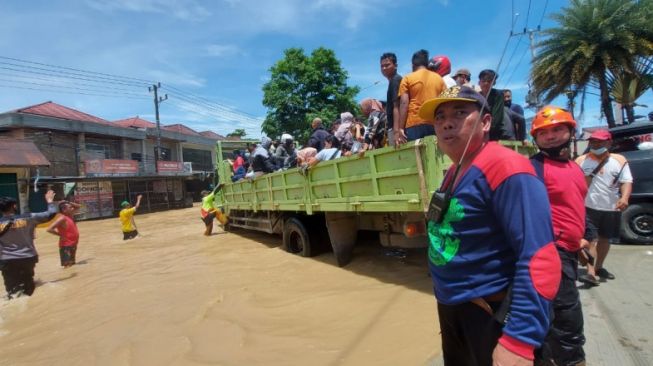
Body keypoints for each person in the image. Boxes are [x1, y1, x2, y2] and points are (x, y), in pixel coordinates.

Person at [417, 86, 561, 366]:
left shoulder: (506, 168)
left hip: (491, 313)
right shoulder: (455, 171)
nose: (447, 122)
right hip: (455, 309)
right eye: (440, 117)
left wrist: (518, 341)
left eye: (460, 113)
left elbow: (540, 257)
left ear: (485, 122)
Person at [529, 106, 589, 366]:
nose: (551, 136)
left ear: (570, 132)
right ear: (536, 139)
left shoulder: (574, 168)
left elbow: (577, 204)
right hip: (551, 253)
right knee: (567, 320)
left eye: (557, 129)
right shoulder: (533, 169)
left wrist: (585, 236)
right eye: (544, 133)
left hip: (571, 250)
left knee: (558, 319)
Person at [576, 129, 633, 285]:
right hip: (588, 207)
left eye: (600, 141)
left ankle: (599, 266)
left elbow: (626, 181)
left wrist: (625, 197)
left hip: (611, 208)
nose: (596, 144)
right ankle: (591, 273)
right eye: (593, 141)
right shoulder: (581, 160)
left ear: (609, 142)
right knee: (591, 240)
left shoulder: (619, 160)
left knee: (605, 240)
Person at [0, 190, 57, 299]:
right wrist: (50, 201)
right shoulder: (29, 218)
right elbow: (51, 214)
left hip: (7, 260)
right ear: (14, 206)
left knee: (12, 291)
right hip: (28, 257)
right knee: (28, 287)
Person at [395, 49, 446, 144]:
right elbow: (445, 102)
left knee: (417, 156)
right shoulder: (439, 79)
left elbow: (404, 103)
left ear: (413, 65)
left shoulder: (407, 78)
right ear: (426, 64)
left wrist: (400, 128)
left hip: (414, 124)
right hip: (434, 123)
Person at [478, 69, 514, 141]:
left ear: (493, 83)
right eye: (483, 80)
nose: (486, 83)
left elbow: (496, 118)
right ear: (479, 82)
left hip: (494, 133)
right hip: (479, 130)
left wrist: (484, 130)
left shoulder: (498, 95)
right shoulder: (477, 95)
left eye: (489, 81)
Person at [46, 200, 81, 268]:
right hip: (66, 246)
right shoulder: (62, 218)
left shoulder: (70, 215)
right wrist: (60, 235)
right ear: (64, 210)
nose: (72, 208)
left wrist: (69, 202)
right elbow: (49, 229)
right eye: (70, 207)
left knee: (72, 264)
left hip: (73, 244)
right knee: (67, 266)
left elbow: (78, 207)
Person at [380, 52, 402, 146]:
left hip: (395, 128)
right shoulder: (393, 81)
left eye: (387, 65)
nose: (384, 68)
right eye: (382, 66)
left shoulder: (395, 80)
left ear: (395, 65)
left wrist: (396, 131)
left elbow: (397, 106)